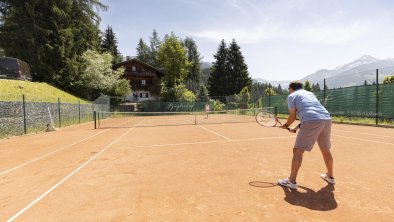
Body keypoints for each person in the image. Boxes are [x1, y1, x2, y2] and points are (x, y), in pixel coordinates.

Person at [277, 81, 335, 190]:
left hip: (312, 121)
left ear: (290, 88)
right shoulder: (309, 94)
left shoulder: (291, 96)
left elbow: (293, 117)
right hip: (326, 119)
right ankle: (330, 176)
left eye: (288, 89)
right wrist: (297, 127)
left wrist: (286, 125)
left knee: (298, 150)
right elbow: (313, 112)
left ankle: (291, 181)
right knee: (325, 149)